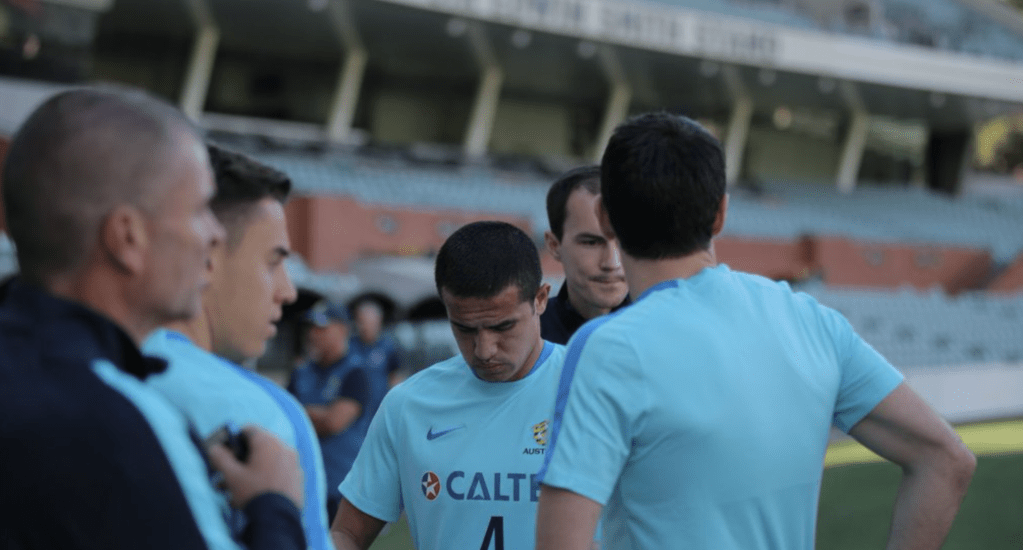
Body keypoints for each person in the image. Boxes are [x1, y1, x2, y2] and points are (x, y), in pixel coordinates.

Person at [536, 112, 977, 550]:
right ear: (721, 213)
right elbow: (946, 459)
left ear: (605, 217)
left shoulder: (608, 347)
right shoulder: (811, 320)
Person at [0, 88, 305, 549]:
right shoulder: (116, 421)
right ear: (127, 237)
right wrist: (273, 505)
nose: (214, 235)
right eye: (200, 209)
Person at [142, 144, 335, 550]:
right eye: (272, 261)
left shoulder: (77, 374)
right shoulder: (264, 412)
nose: (287, 290)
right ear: (208, 253)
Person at [331, 221, 565, 550]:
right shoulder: (408, 405)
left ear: (540, 299)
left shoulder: (592, 390)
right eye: (465, 328)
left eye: (502, 326)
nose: (484, 350)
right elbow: (347, 534)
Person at [289, 300, 373, 521]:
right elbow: (284, 417)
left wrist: (301, 412)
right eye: (311, 328)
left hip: (341, 487)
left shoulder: (355, 373)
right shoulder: (301, 371)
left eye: (322, 328)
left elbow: (333, 423)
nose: (314, 334)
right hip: (305, 483)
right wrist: (318, 413)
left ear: (342, 329)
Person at [540, 165, 629, 344]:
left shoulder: (671, 337)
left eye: (626, 241)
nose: (612, 263)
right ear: (554, 245)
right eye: (591, 243)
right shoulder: (527, 337)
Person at [350, 297, 405, 390]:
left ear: (379, 321)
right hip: (353, 401)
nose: (365, 327)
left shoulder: (388, 346)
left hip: (380, 401)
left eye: (370, 322)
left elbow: (396, 376)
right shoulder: (349, 345)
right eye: (362, 322)